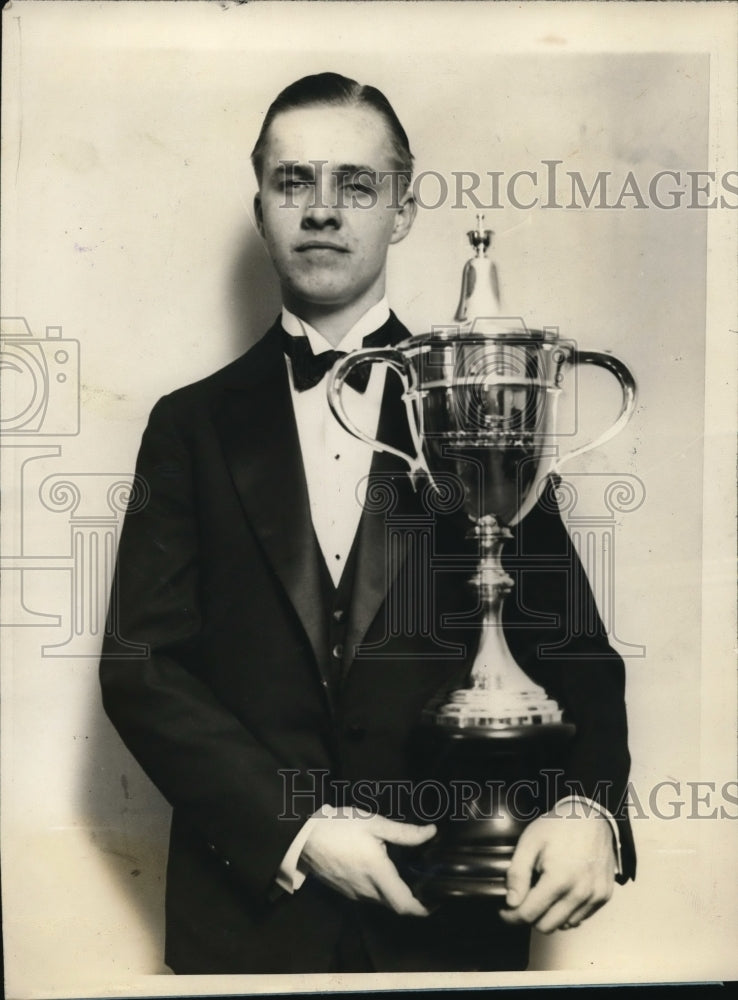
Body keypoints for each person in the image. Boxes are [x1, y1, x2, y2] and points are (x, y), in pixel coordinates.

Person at [100, 72, 635, 974]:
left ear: (404, 210)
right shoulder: (187, 427)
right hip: (249, 925)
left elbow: (576, 656)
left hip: (459, 917)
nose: (320, 210)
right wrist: (299, 830)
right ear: (260, 203)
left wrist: (590, 813)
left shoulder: (480, 399)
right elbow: (142, 667)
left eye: (355, 183)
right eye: (292, 181)